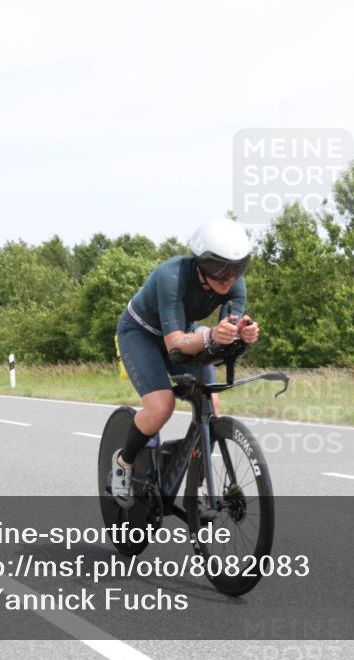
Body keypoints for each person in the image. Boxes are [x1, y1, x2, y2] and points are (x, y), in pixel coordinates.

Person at [111, 218, 260, 508]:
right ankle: (124, 462)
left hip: (184, 334)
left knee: (211, 407)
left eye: (237, 267)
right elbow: (175, 344)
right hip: (141, 333)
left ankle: (200, 485)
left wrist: (242, 332)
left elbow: (223, 334)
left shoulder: (235, 285)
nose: (228, 277)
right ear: (201, 261)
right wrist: (211, 335)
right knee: (161, 406)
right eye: (220, 268)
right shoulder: (171, 276)